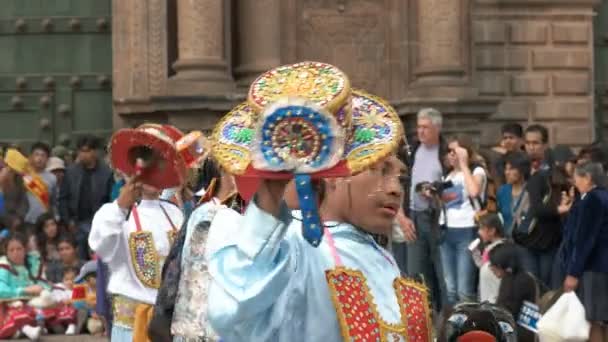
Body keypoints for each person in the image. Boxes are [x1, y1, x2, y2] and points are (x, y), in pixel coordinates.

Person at [205, 62, 432, 341]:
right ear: (335, 176)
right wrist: (270, 196)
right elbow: (232, 310)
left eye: (401, 179)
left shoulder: (380, 255)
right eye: (380, 170)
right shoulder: (298, 250)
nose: (395, 189)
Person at [89, 124, 186, 342]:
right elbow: (100, 242)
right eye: (147, 169)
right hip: (131, 326)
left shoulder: (175, 213)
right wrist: (121, 205)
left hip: (169, 323)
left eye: (158, 169)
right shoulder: (115, 214)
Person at [170, 159, 242, 342]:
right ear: (224, 171)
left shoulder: (201, 212)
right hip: (207, 326)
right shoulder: (216, 215)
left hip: (195, 324)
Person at [400, 107, 448, 312]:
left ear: (437, 128)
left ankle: (445, 320)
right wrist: (401, 216)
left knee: (442, 273)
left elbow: (455, 187)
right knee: (415, 273)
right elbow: (399, 183)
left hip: (437, 217)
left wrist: (436, 193)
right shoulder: (411, 150)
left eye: (425, 127)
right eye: (418, 127)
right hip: (413, 215)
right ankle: (421, 321)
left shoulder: (446, 152)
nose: (420, 131)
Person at [560, 162, 608, 342]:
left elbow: (585, 239)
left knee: (593, 320)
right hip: (603, 266)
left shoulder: (591, 200)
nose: (574, 182)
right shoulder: (604, 196)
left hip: (593, 267)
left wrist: (573, 272)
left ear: (587, 178)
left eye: (576, 178)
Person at [439, 135, 487, 306]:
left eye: (455, 151)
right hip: (447, 231)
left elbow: (474, 191)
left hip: (467, 229)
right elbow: (446, 202)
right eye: (449, 152)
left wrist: (464, 164)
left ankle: (469, 325)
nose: (451, 155)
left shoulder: (477, 171)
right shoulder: (448, 176)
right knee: (450, 289)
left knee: (464, 290)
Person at [515, 124, 561, 287]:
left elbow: (544, 206)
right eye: (527, 143)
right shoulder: (520, 168)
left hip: (547, 239)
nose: (531, 147)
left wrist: (558, 209)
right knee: (530, 289)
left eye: (536, 143)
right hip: (525, 238)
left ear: (545, 145)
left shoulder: (553, 170)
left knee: (545, 289)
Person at [59, 135, 114, 260]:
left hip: (98, 223)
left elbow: (110, 200)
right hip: (76, 223)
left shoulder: (106, 173)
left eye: (87, 151)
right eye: (81, 151)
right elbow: (63, 198)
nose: (83, 154)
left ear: (94, 152)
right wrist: (67, 220)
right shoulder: (71, 172)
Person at [0, 232, 49, 340]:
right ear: (6, 252)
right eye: (11, 250)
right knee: (17, 307)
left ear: (25, 249)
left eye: (19, 249)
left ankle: (23, 329)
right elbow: (1, 290)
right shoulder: (3, 265)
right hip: (9, 303)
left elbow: (44, 283)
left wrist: (40, 288)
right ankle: (27, 328)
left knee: (49, 300)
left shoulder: (33, 263)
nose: (15, 253)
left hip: (32, 301)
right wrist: (25, 290)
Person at [490, 243, 538, 342]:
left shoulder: (522, 281)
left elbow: (508, 312)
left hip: (521, 333)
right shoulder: (509, 277)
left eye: (494, 265)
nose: (491, 268)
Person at [472, 212, 506, 303]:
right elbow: (482, 266)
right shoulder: (488, 247)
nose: (479, 232)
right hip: (486, 293)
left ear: (492, 231)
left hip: (493, 296)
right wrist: (475, 253)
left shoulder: (500, 249)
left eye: (482, 229)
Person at [496, 152, 531, 237]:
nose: (507, 172)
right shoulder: (502, 191)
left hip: (528, 239)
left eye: (511, 169)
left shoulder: (531, 190)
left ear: (522, 170)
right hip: (508, 240)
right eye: (506, 169)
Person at [24, 142, 57, 226]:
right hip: (27, 221)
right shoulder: (24, 175)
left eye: (43, 155)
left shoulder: (52, 178)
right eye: (37, 154)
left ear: (47, 159)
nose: (39, 158)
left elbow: (53, 202)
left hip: (45, 223)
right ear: (31, 157)